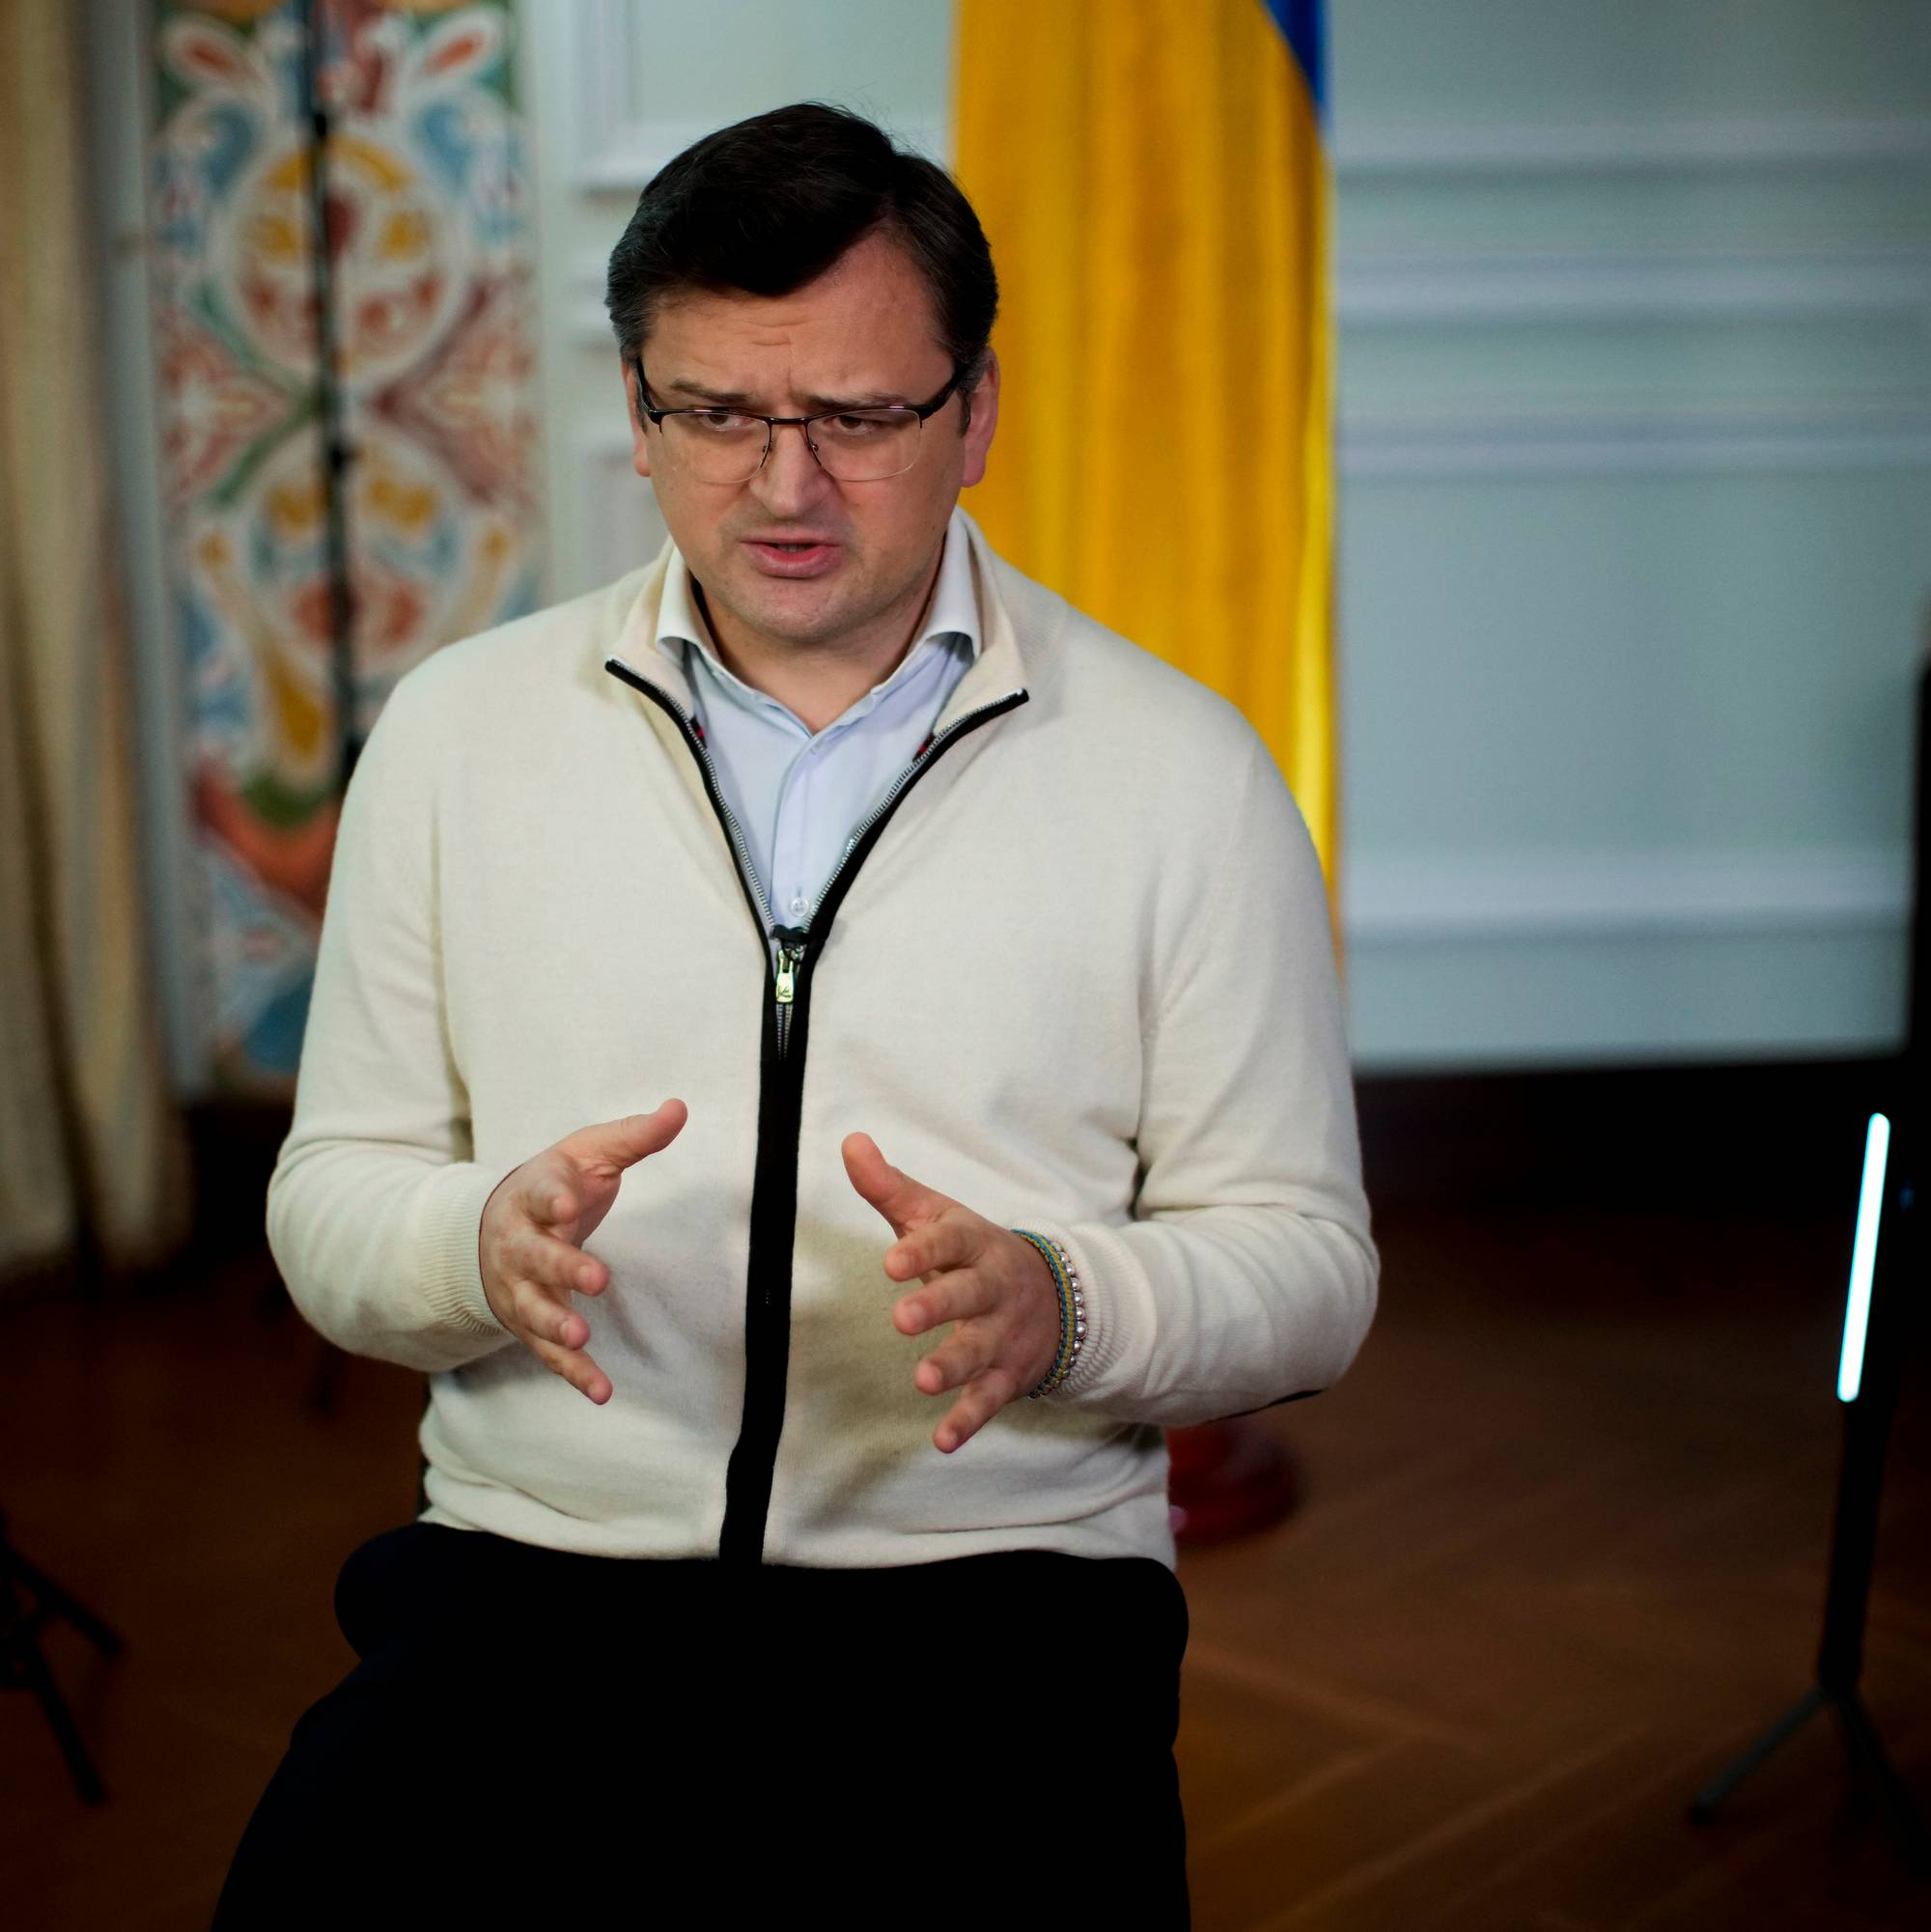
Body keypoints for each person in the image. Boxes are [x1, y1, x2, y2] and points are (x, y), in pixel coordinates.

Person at [212, 101, 1378, 1927]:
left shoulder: (1183, 771)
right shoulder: (457, 735)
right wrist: (472, 1240)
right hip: (540, 1572)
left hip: (997, 1597)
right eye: (718, 414)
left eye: (856, 416)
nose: (783, 485)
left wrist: (1065, 1303)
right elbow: (332, 1194)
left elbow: (1309, 1266)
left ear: (975, 414)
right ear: (638, 407)